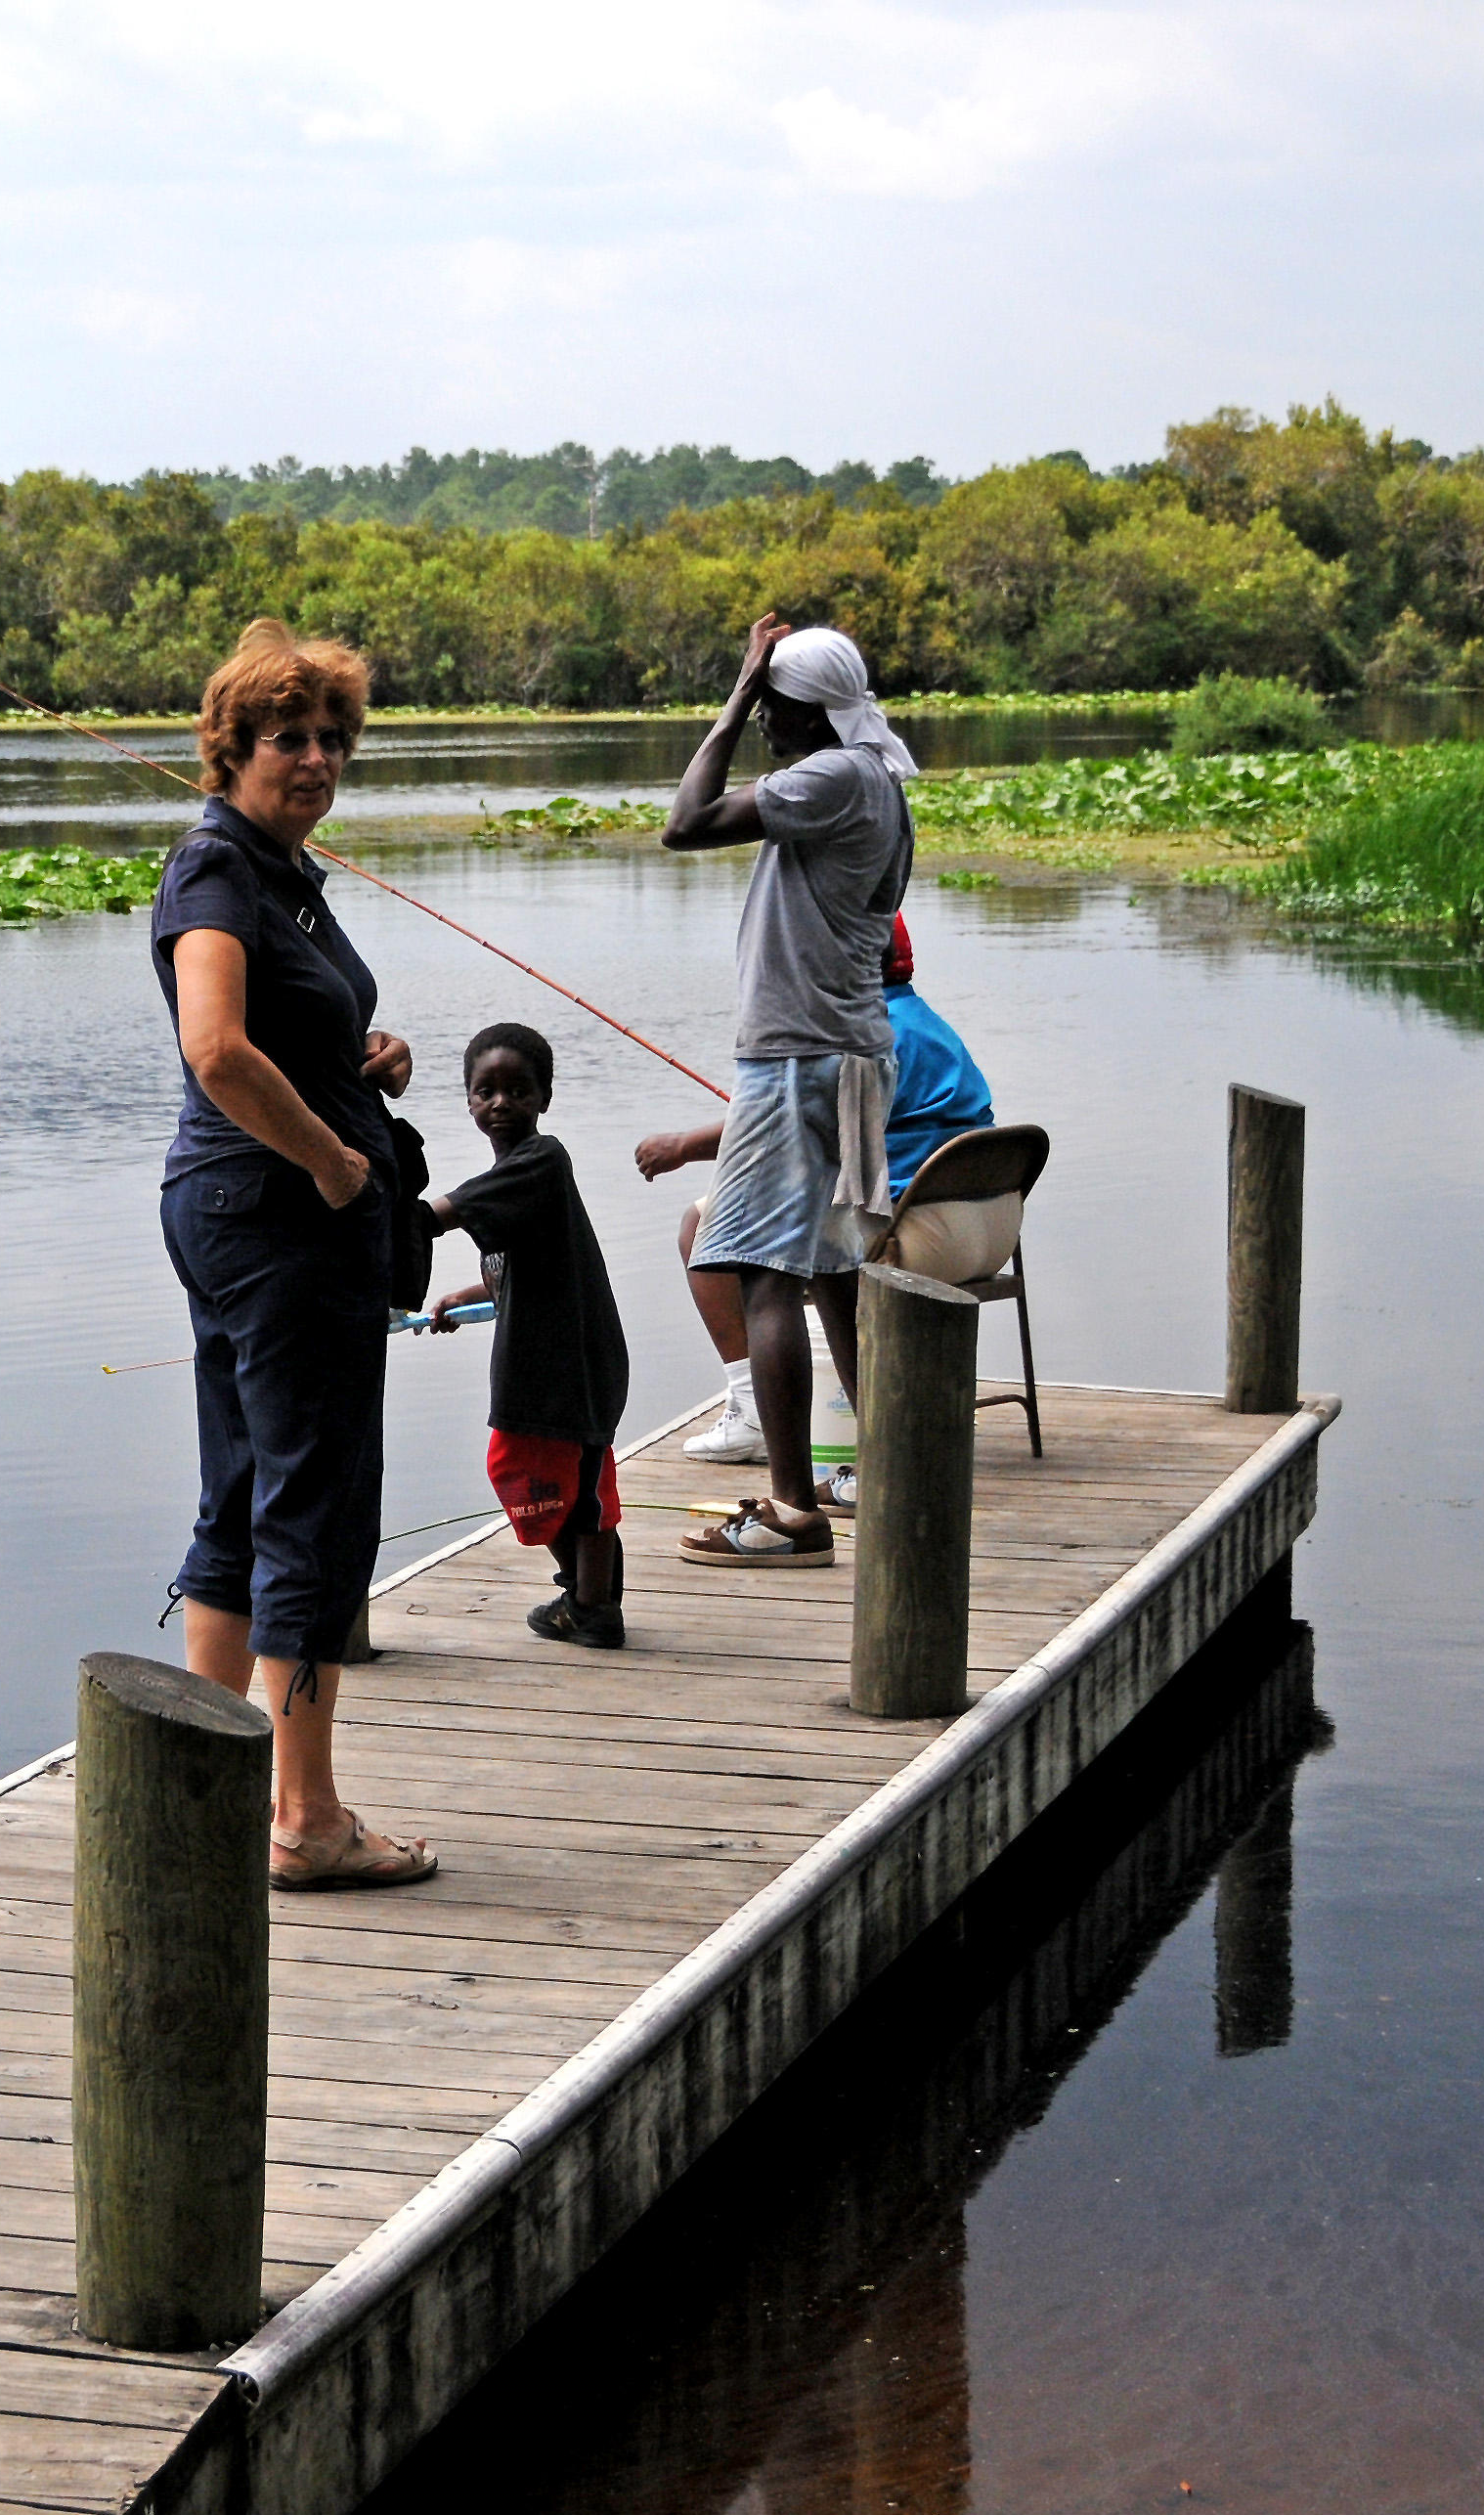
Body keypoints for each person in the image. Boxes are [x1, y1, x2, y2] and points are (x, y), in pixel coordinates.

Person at [154, 618, 437, 1891]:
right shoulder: (218, 875)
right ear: (233, 750)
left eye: (332, 737)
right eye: (290, 739)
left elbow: (278, 1027)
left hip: (241, 1220)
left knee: (243, 1490)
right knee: (311, 1503)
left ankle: (194, 1781)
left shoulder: (280, 870)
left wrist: (361, 1064)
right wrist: (333, 1160)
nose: (317, 757)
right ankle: (306, 1817)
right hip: (278, 1223)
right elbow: (214, 1047)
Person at [653, 615, 917, 1566]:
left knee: (765, 1275)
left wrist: (729, 698)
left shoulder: (833, 775)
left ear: (801, 711)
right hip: (853, 1055)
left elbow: (683, 824)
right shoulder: (879, 781)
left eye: (772, 707)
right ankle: (879, 1467)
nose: (764, 721)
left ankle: (792, 1509)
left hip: (798, 1057)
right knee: (841, 1270)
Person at [643, 915, 993, 1466]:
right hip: (981, 1230)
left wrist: (684, 1145)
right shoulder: (924, 1022)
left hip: (904, 1231)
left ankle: (755, 1409)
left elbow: (780, 1127)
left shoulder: (862, 1038)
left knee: (703, 1227)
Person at [419, 1020, 634, 1649]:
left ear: (544, 1097)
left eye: (518, 1090)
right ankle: (586, 1590)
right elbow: (522, 1260)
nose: (500, 1103)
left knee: (585, 1488)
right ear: (467, 1099)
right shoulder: (514, 1176)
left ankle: (594, 1609)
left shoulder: (542, 1159)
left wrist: (391, 1222)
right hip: (535, 1363)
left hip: (576, 1361)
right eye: (485, 1090)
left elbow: (448, 1212)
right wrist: (468, 1296)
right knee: (529, 1475)